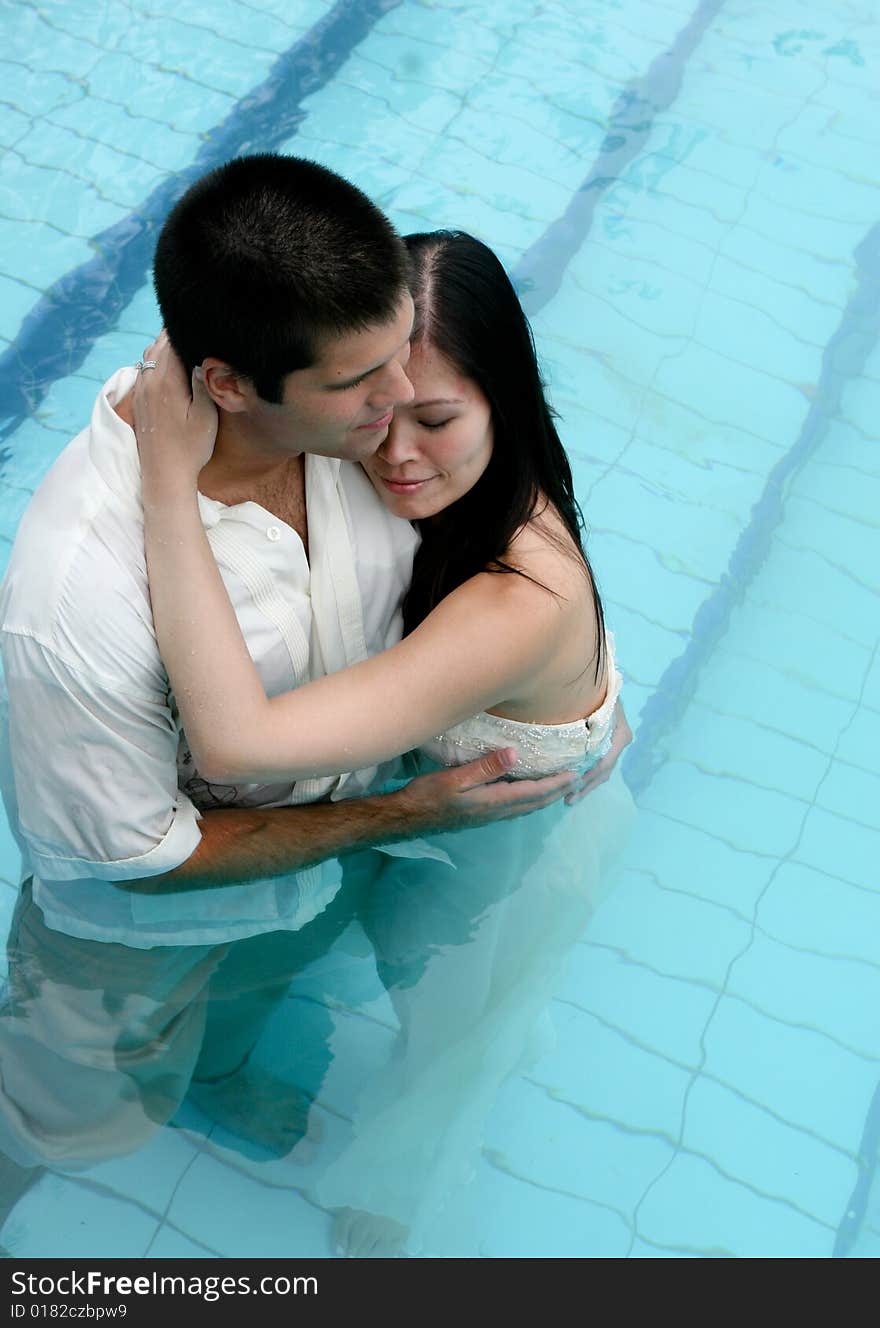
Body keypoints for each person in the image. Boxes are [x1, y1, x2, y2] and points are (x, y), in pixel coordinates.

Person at [0, 158, 623, 1252]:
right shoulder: (76, 606)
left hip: (348, 852)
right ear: (231, 385)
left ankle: (222, 1073)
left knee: (363, 991)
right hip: (153, 916)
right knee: (60, 1109)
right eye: (365, 383)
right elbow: (134, 851)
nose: (393, 416)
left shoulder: (362, 437)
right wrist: (397, 816)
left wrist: (580, 691)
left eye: (410, 376)